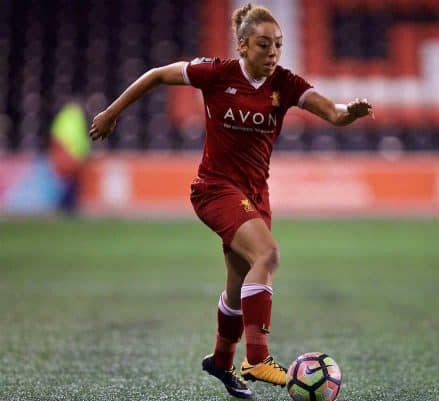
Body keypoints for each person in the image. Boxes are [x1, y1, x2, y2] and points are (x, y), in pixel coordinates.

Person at [89, 3, 373, 399]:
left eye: (279, 45)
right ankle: (257, 358)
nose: (273, 52)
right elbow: (156, 75)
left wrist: (350, 114)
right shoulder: (216, 74)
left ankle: (221, 360)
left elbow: (333, 113)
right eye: (263, 45)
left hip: (255, 195)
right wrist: (111, 113)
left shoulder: (286, 84)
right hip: (215, 188)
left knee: (241, 283)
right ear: (242, 45)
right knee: (268, 256)